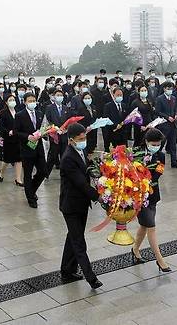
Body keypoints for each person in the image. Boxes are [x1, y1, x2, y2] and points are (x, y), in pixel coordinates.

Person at [59, 123, 102, 289]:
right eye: (80, 139)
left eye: (85, 138)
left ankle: (66, 269)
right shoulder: (68, 158)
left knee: (73, 236)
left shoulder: (80, 150)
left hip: (81, 203)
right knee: (79, 242)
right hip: (71, 205)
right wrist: (99, 197)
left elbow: (87, 168)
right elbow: (80, 184)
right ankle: (91, 277)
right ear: (71, 140)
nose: (84, 141)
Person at [131, 128, 172, 273]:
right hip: (139, 196)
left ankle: (135, 249)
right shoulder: (136, 153)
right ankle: (160, 259)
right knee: (151, 226)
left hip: (152, 195)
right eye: (153, 144)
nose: (156, 146)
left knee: (144, 225)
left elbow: (158, 173)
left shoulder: (160, 155)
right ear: (147, 142)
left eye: (158, 144)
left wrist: (147, 181)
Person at [15, 92, 46, 208]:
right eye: (30, 101)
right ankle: (30, 198)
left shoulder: (39, 113)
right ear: (25, 102)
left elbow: (42, 128)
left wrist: (44, 133)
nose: (32, 103)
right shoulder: (20, 115)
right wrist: (28, 137)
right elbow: (16, 132)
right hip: (27, 148)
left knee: (43, 171)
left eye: (34, 101)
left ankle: (31, 189)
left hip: (39, 147)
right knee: (27, 174)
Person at [154, 82, 177, 169]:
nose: (170, 90)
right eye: (168, 88)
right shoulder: (160, 99)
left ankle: (174, 162)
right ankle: (156, 161)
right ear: (164, 89)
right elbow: (158, 112)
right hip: (164, 125)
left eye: (171, 89)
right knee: (161, 144)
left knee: (173, 145)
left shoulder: (173, 98)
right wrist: (167, 117)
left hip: (173, 125)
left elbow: (175, 108)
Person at [0, 94, 23, 186]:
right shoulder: (3, 113)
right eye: (10, 100)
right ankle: (1, 173)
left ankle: (18, 179)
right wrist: (8, 132)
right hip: (9, 139)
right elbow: (1, 127)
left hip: (18, 138)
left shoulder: (19, 111)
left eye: (13, 100)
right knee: (7, 160)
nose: (12, 102)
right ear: (6, 102)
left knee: (19, 159)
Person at [45, 89, 69, 178]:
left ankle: (64, 173)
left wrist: (65, 129)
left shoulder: (66, 108)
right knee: (52, 155)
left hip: (64, 135)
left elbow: (68, 121)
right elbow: (47, 121)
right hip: (54, 135)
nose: (59, 97)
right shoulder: (49, 107)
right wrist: (54, 128)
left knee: (64, 155)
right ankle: (46, 173)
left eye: (61, 95)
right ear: (54, 97)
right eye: (57, 95)